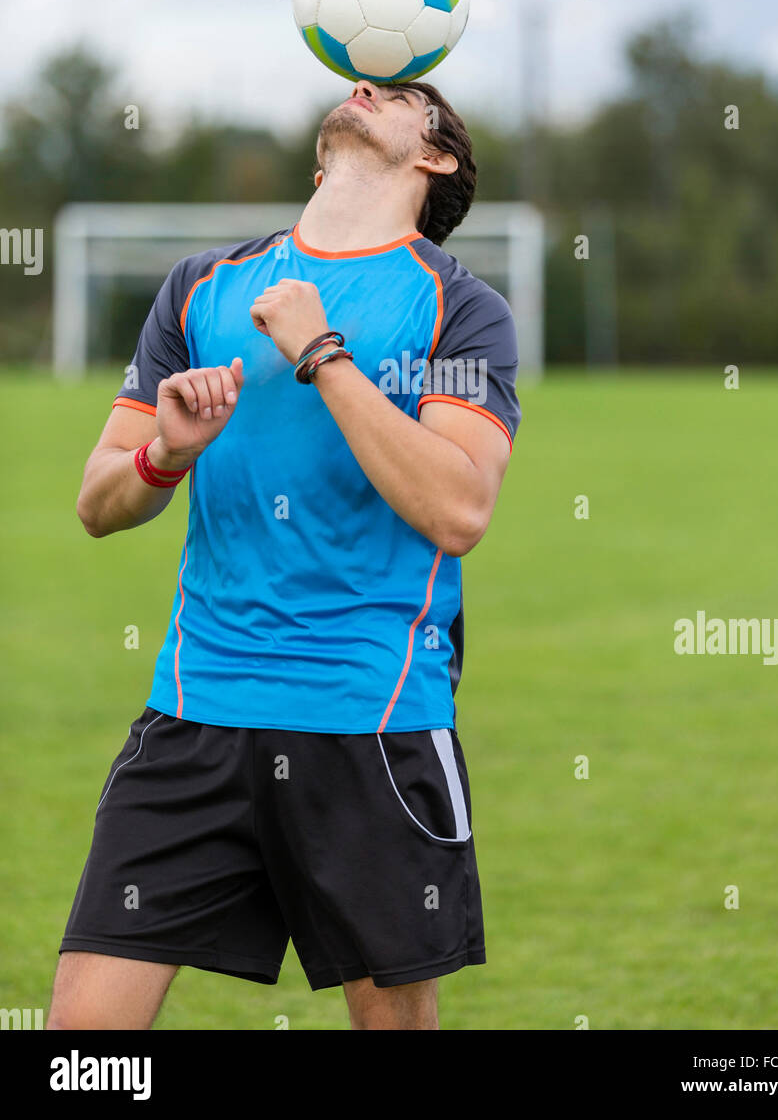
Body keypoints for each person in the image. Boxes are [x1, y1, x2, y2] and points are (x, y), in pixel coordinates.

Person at [48, 77, 521, 1031]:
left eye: (398, 92)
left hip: (369, 725)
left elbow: (460, 508)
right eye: (360, 77)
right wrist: (165, 454)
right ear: (319, 159)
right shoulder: (201, 286)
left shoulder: (463, 310)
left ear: (434, 157)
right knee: (81, 1043)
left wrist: (324, 355)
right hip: (194, 712)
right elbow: (98, 504)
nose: (362, 85)